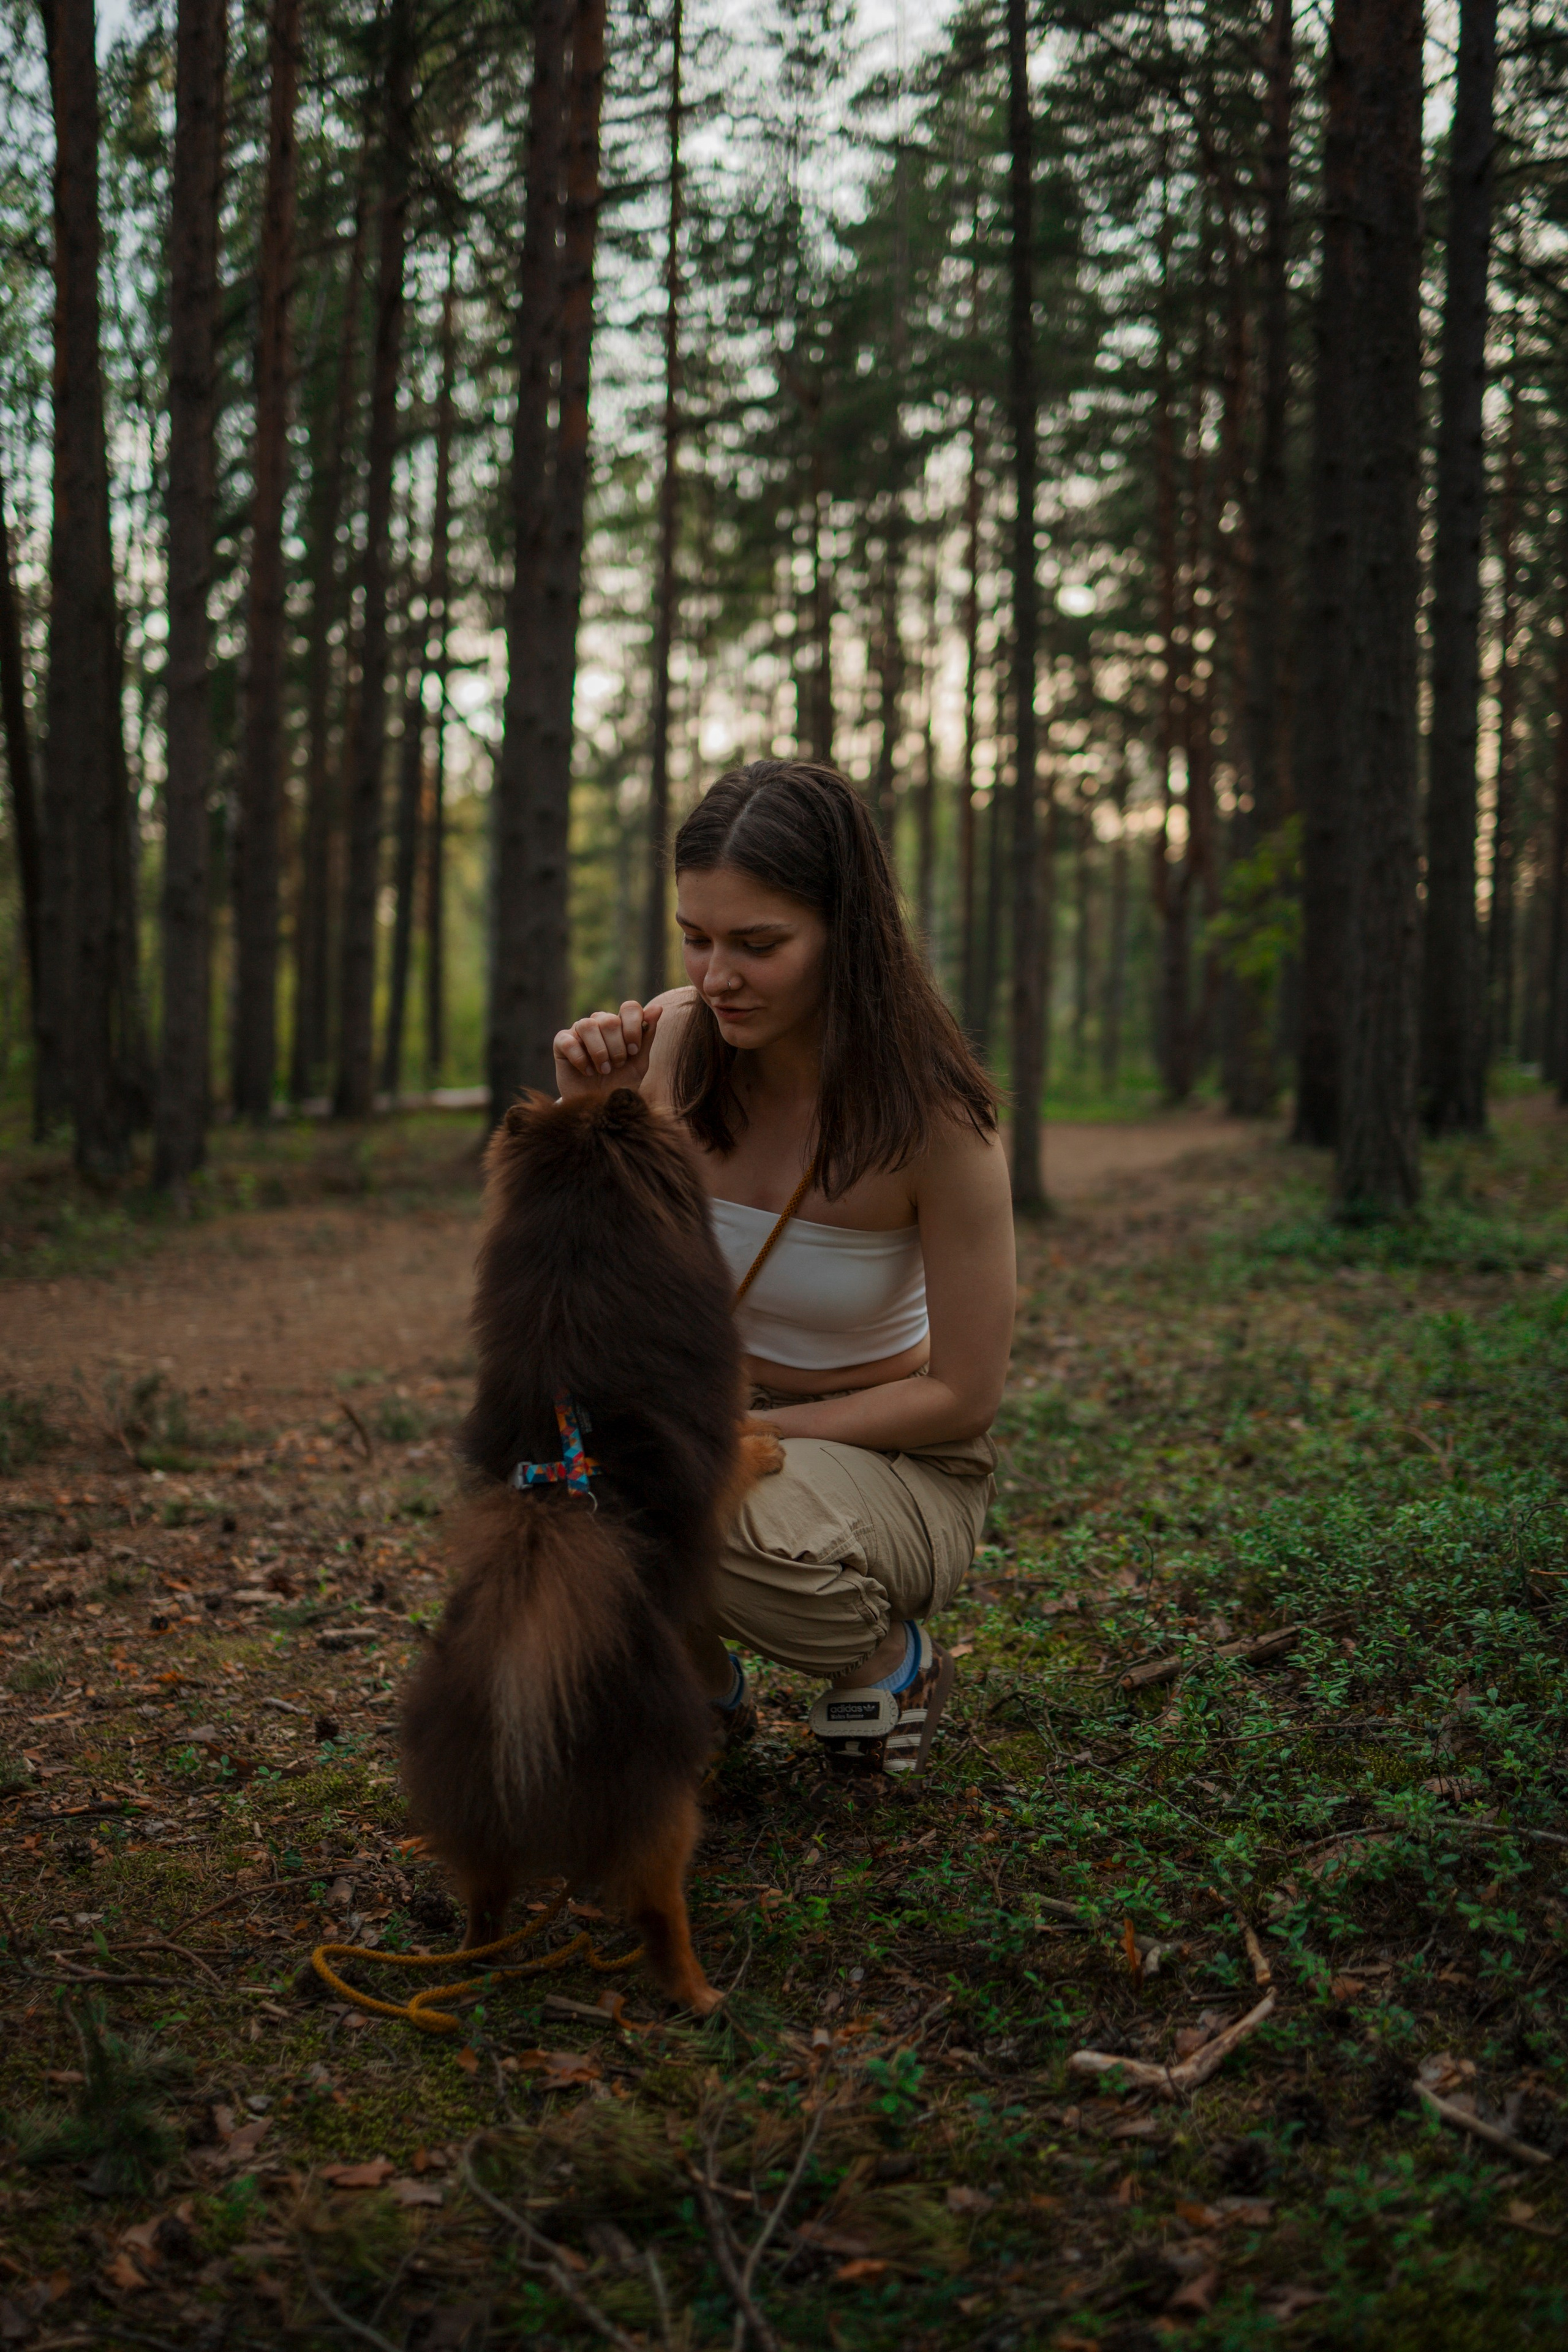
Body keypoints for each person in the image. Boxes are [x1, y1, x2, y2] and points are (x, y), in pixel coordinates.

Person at [552, 761, 1016, 1777]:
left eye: (758, 945)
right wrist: (596, 1124)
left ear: (848, 935)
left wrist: (741, 1433)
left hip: (895, 1453)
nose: (716, 976)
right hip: (710, 1413)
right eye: (696, 937)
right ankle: (697, 1688)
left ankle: (891, 1664)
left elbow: (964, 1395)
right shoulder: (673, 1046)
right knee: (560, 1471)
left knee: (698, 1498)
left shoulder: (939, 1125)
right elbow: (587, 1300)